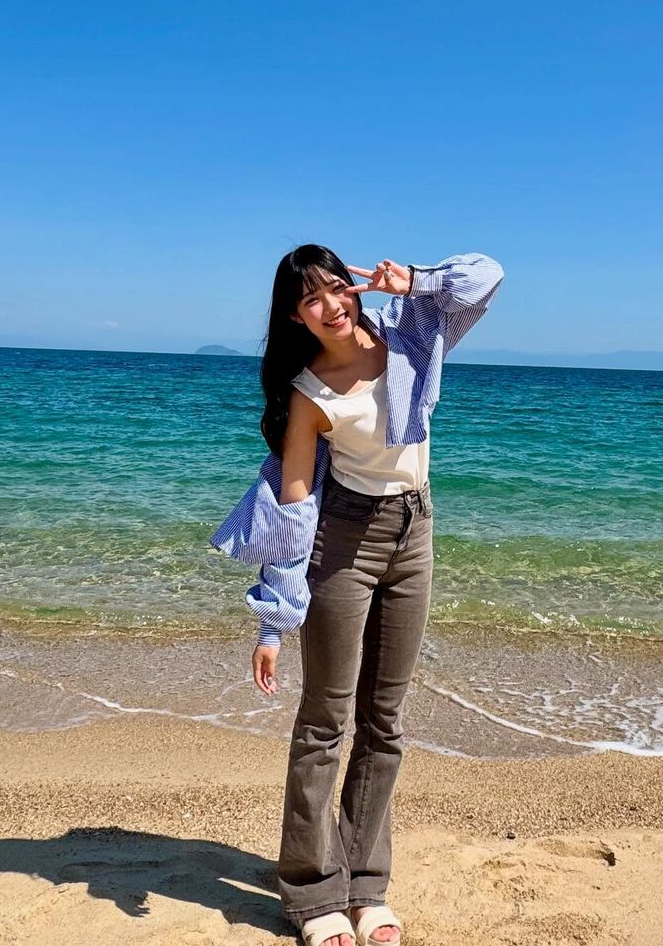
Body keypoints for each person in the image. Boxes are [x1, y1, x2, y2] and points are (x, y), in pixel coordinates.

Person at [211, 248, 504, 946]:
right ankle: (313, 893)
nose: (331, 305)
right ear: (295, 316)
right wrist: (273, 623)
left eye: (336, 288)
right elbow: (292, 508)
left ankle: (367, 887)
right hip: (346, 540)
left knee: (385, 721)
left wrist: (418, 281)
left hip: (416, 530)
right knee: (325, 721)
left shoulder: (410, 329)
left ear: (353, 287)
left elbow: (487, 276)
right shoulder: (308, 394)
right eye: (311, 299)